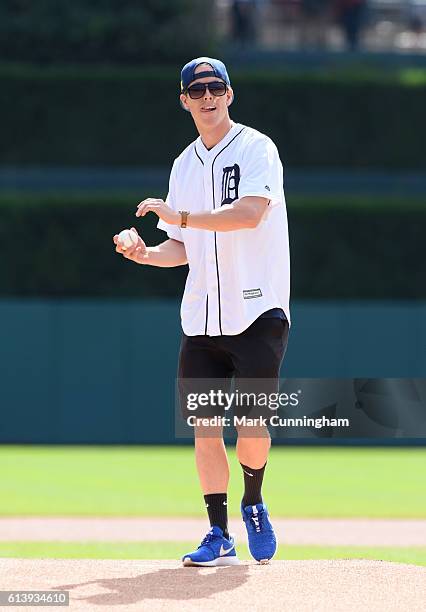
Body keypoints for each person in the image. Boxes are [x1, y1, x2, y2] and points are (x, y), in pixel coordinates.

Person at [113, 57, 291, 566]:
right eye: (198, 89)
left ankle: (253, 502)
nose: (208, 95)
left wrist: (181, 215)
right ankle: (219, 533)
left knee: (252, 429)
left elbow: (250, 214)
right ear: (184, 100)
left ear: (230, 95)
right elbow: (182, 246)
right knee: (204, 427)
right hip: (203, 319)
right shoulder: (183, 164)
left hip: (258, 311)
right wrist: (145, 252)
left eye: (217, 87)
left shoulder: (257, 148)